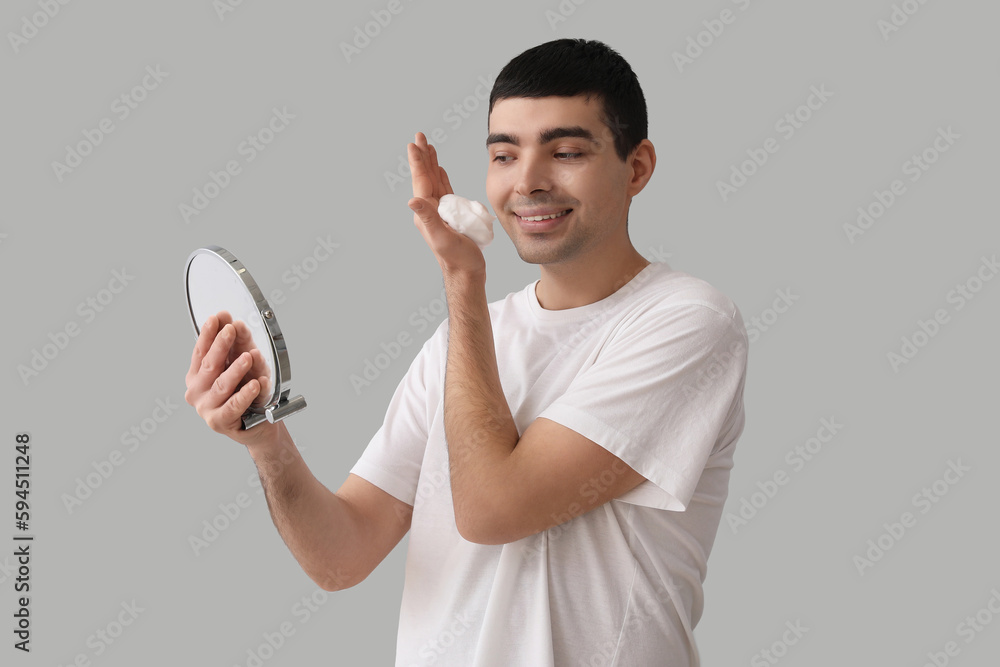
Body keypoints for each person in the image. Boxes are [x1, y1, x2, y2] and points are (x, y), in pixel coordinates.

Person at [185, 38, 748, 667]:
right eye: (504, 155)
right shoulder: (466, 337)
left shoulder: (688, 322)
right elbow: (341, 557)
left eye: (565, 152)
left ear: (637, 167)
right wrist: (265, 439)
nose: (528, 181)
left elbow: (491, 509)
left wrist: (463, 283)